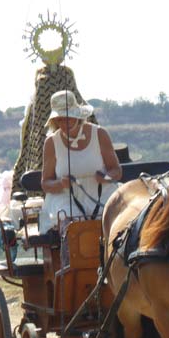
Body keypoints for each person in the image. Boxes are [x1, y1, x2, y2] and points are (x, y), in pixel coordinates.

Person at [39, 90, 122, 232]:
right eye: (60, 119)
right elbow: (46, 183)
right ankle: (71, 253)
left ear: (77, 115)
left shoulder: (100, 134)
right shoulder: (51, 143)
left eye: (69, 117)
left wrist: (105, 177)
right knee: (72, 224)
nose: (65, 122)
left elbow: (116, 171)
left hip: (101, 192)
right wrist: (60, 183)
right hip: (65, 196)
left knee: (120, 217)